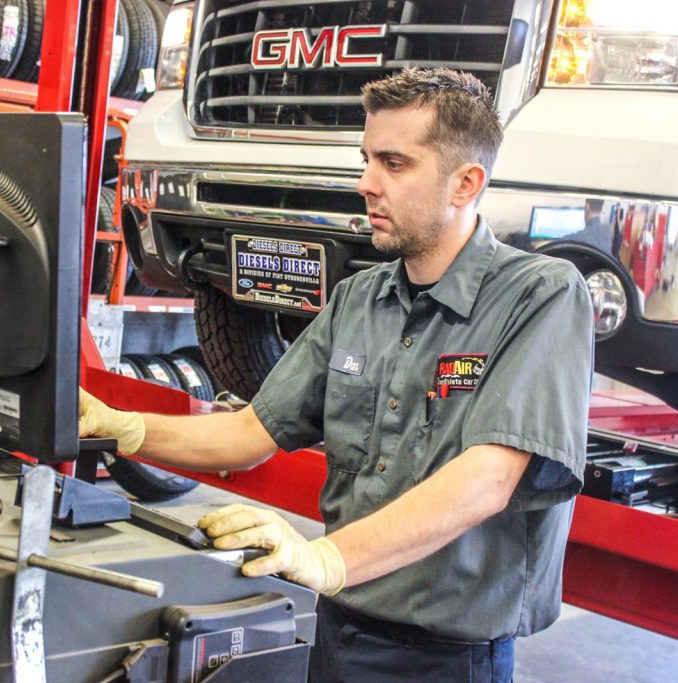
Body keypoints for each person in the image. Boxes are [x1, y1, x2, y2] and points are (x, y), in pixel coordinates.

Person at [80, 67, 594, 682]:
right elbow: (248, 434)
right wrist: (122, 427)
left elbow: (486, 478)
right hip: (339, 633)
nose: (366, 183)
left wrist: (325, 556)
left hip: (445, 663)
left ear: (466, 183)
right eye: (366, 159)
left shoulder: (540, 296)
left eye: (394, 164)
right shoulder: (359, 299)